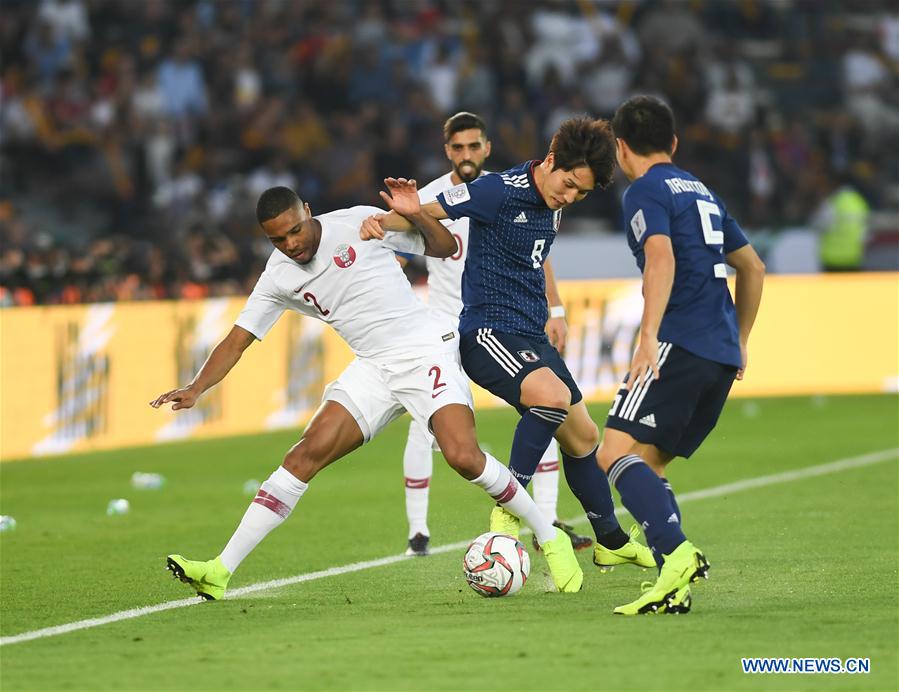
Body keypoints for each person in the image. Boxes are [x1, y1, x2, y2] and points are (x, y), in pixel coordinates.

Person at [151, 180, 584, 600]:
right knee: (302, 457)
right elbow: (238, 338)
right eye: (277, 239)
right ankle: (219, 571)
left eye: (295, 230)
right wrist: (196, 387)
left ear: (307, 211)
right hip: (373, 367)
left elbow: (444, 246)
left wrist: (415, 215)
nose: (290, 244)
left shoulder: (358, 223)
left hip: (425, 351)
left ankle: (549, 537)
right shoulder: (278, 276)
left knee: (463, 457)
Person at [362, 117, 653, 575]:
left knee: (584, 437)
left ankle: (611, 541)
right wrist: (381, 220)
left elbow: (539, 258)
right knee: (552, 399)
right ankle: (509, 512)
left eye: (581, 193)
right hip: (488, 332)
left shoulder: (553, 200)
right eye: (569, 185)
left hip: (530, 334)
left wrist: (554, 309)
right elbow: (425, 212)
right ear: (552, 161)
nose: (570, 197)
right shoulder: (498, 190)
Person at [596, 95, 765, 615]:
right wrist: (741, 339)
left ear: (621, 148)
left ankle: (677, 554)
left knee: (611, 453)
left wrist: (648, 336)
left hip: (679, 340)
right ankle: (675, 582)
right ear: (673, 142)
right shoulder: (702, 191)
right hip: (719, 351)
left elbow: (660, 256)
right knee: (649, 463)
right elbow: (753, 267)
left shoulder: (644, 190)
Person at [397, 111, 591, 557]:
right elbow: (398, 257)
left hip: (504, 322)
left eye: (474, 145)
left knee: (545, 410)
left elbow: (538, 254)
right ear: (447, 151)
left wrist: (556, 308)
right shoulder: (430, 198)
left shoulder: (511, 189)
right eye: (458, 147)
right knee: (424, 426)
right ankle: (418, 533)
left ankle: (545, 518)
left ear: (487, 148)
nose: (466, 153)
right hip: (444, 326)